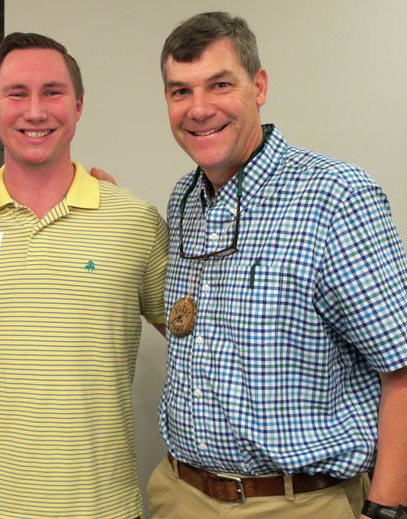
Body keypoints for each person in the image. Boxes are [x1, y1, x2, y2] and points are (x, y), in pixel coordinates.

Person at [149, 11, 407, 519]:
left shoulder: (335, 197)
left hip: (298, 502)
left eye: (219, 85)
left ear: (259, 85)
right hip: (179, 493)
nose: (198, 109)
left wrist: (388, 509)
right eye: (180, 92)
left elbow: (402, 366)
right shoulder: (185, 199)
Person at [0, 32, 168, 519]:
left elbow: (199, 338)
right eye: (17, 93)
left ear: (79, 105)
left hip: (100, 506)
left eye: (52, 92)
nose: (36, 111)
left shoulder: (134, 222)